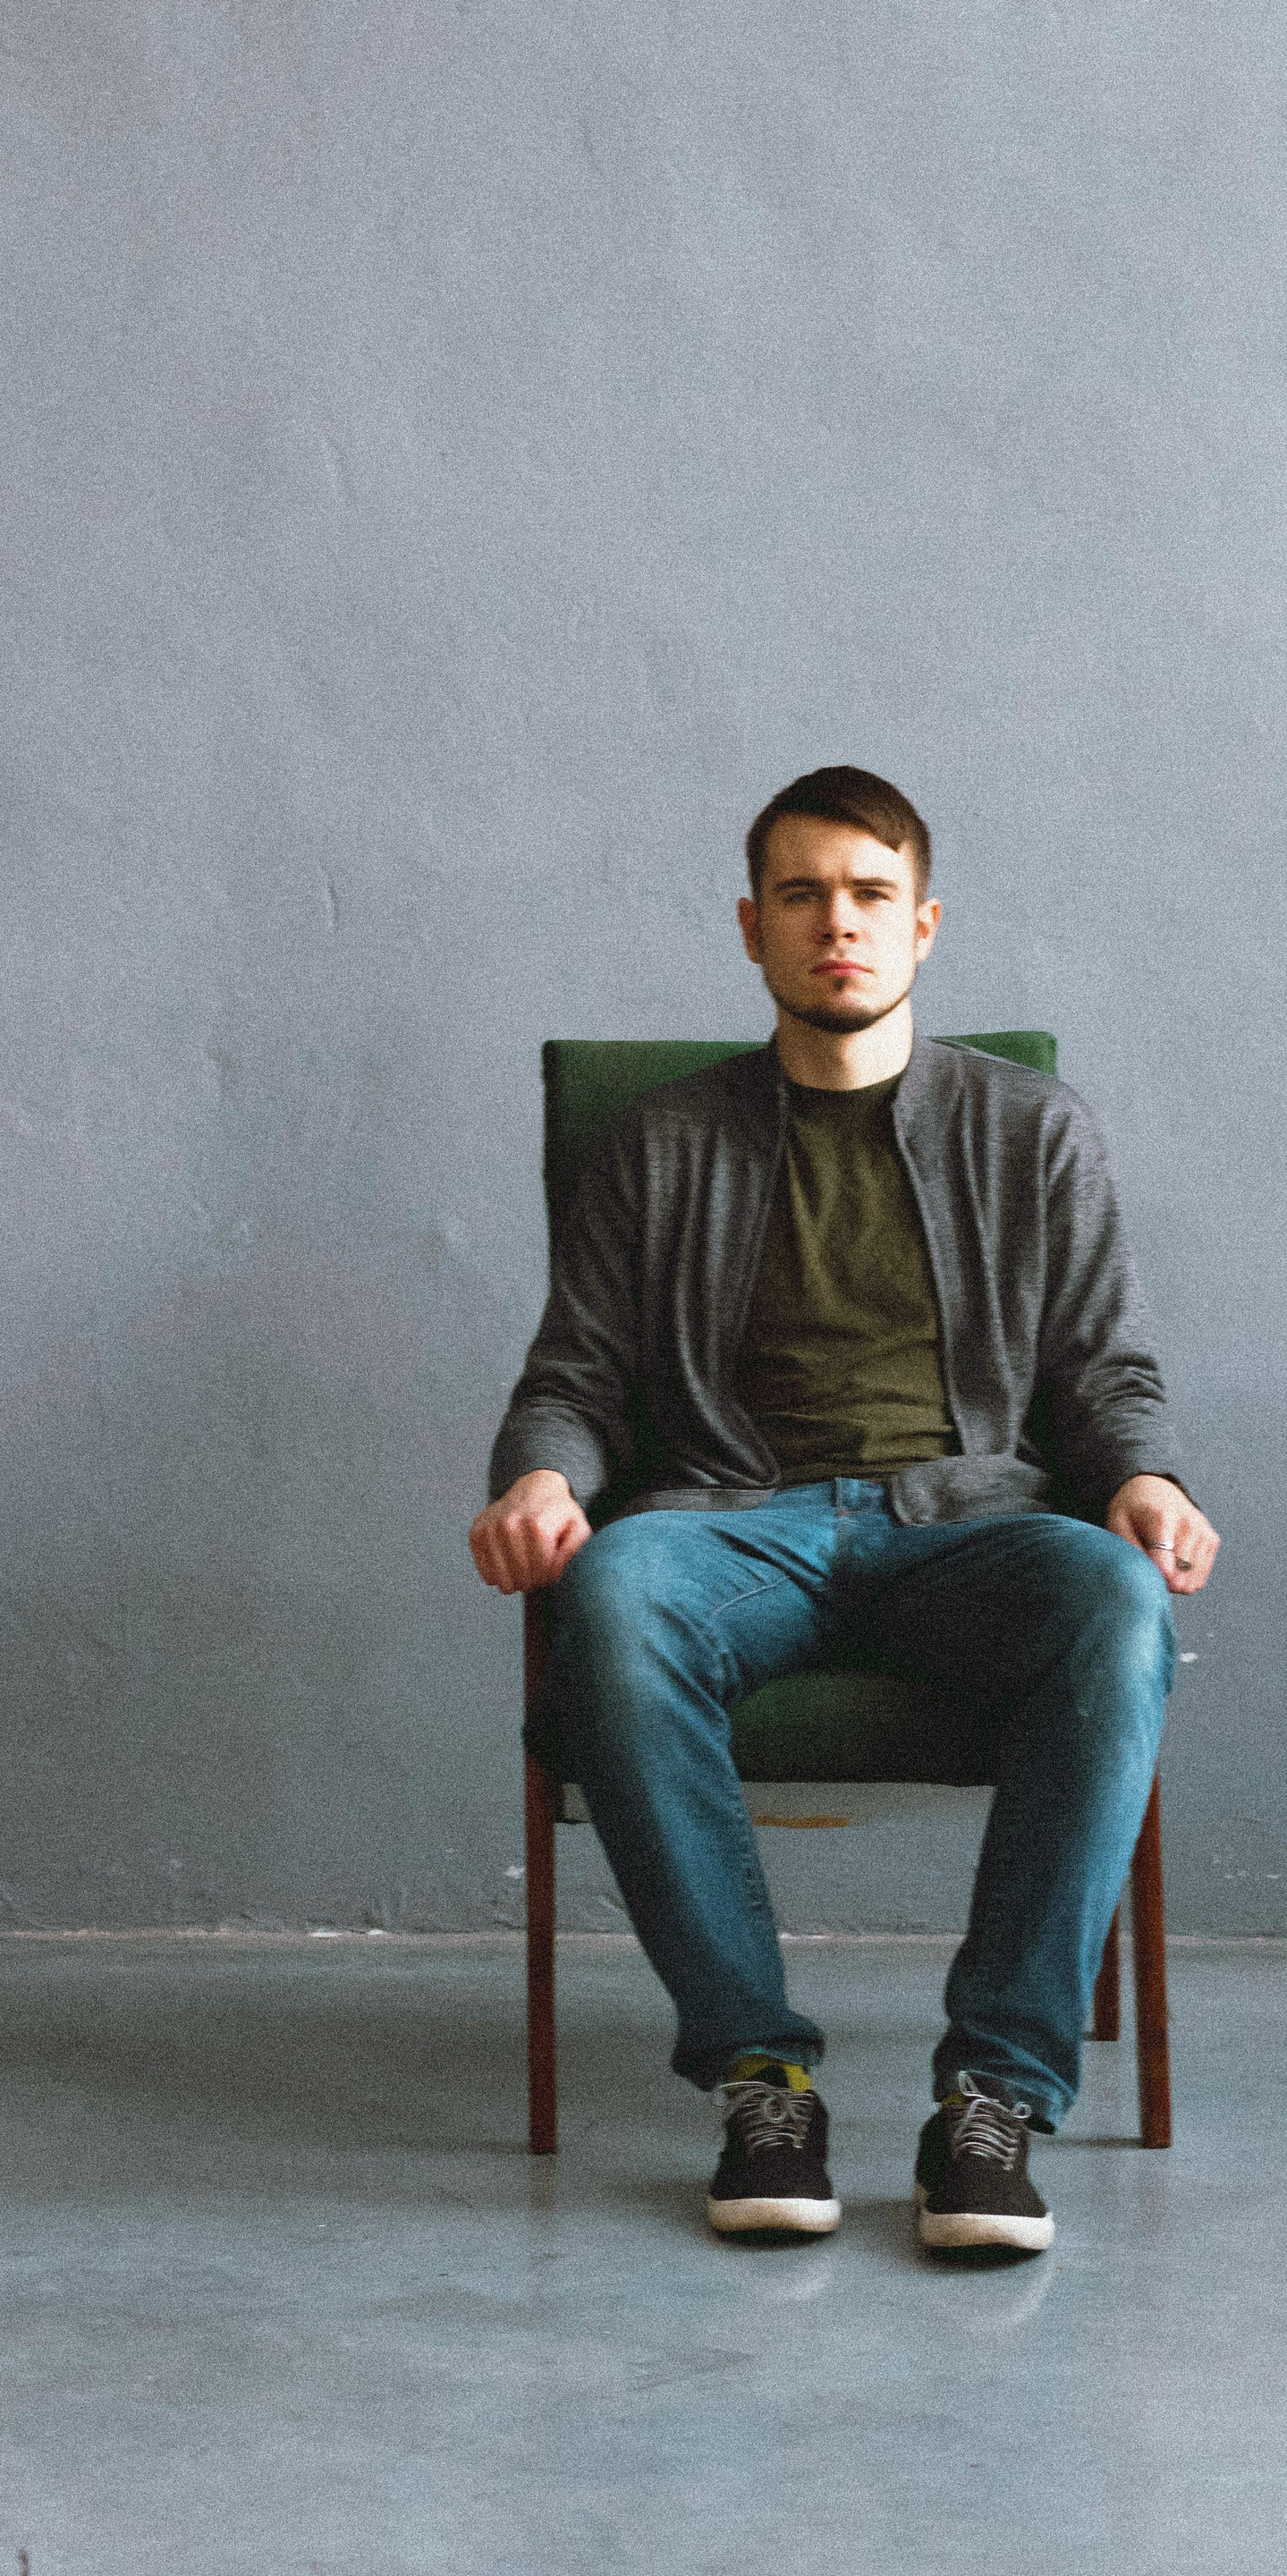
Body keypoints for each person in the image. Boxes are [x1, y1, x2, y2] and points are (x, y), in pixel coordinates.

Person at [470, 767, 1218, 2257]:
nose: (839, 925)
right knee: (613, 1592)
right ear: (752, 927)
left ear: (922, 925)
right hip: (732, 1522)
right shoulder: (662, 1144)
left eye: (872, 895)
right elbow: (577, 1377)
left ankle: (994, 2095)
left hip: (968, 1522)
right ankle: (761, 2079)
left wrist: (1147, 1477)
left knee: (1114, 1598)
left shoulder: (1031, 1130)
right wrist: (542, 1475)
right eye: (802, 895)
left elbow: (1103, 1370)